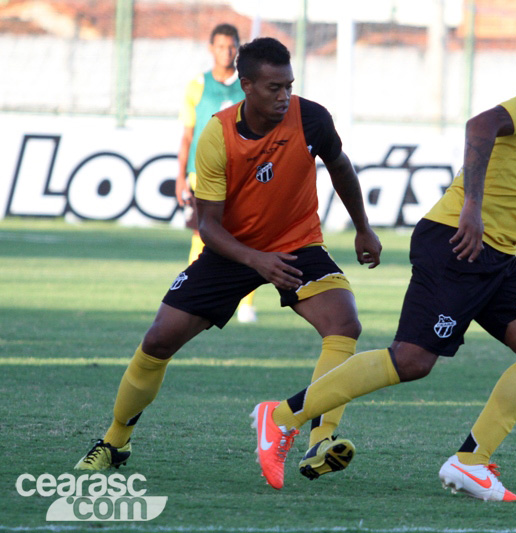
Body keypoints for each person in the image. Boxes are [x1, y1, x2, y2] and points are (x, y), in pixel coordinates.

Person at [253, 31, 516, 499]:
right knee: (411, 360)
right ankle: (282, 416)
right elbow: (480, 125)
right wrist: (471, 206)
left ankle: (471, 461)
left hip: (496, 256)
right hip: (458, 241)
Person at [75, 37, 383, 481]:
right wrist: (256, 260)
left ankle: (320, 440)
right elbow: (209, 227)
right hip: (232, 251)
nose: (284, 97)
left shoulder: (311, 118)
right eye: (274, 87)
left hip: (298, 245)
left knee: (344, 325)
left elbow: (340, 166)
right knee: (159, 340)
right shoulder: (217, 136)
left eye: (289, 86)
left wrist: (362, 227)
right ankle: (114, 439)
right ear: (247, 86)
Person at [175, 23, 257, 323]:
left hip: (242, 173)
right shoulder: (197, 85)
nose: (227, 52)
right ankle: (193, 296)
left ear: (238, 47)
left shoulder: (248, 85)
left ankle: (246, 304)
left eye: (232, 46)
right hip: (203, 173)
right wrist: (181, 175)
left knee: (246, 236)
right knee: (201, 235)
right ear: (211, 49)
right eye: (221, 46)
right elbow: (187, 134)